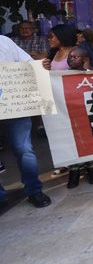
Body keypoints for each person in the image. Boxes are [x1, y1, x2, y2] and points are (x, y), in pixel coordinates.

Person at [0, 36, 52, 209]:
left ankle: (34, 191)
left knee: (24, 149)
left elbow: (29, 62)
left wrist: (41, 66)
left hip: (15, 105)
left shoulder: (4, 42)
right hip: (14, 104)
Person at [64, 47, 93, 188]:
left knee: (90, 142)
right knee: (73, 143)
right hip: (70, 115)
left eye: (75, 57)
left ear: (85, 59)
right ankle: (74, 171)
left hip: (88, 115)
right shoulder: (61, 76)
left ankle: (92, 168)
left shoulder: (91, 75)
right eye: (69, 56)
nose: (71, 59)